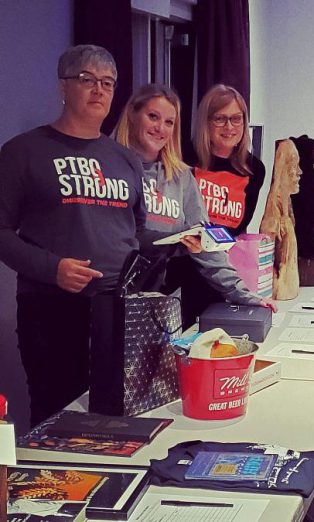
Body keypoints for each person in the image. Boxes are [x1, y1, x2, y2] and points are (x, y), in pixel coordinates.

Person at [0, 45, 154, 426]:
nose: (98, 90)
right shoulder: (24, 152)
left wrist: (179, 243)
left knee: (118, 419)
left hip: (118, 310)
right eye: (87, 80)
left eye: (107, 83)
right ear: (63, 87)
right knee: (57, 419)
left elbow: (135, 231)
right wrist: (53, 268)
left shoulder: (125, 159)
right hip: (52, 308)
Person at [113, 83, 276, 312]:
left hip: (165, 300)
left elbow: (206, 239)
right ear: (132, 115)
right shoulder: (109, 167)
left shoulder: (181, 176)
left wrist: (242, 292)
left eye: (169, 122)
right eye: (153, 117)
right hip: (112, 294)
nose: (160, 128)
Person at [165, 84, 267, 326]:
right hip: (179, 274)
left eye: (236, 119)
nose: (229, 127)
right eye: (220, 119)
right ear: (205, 122)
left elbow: (237, 229)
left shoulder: (254, 169)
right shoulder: (182, 158)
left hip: (221, 274)